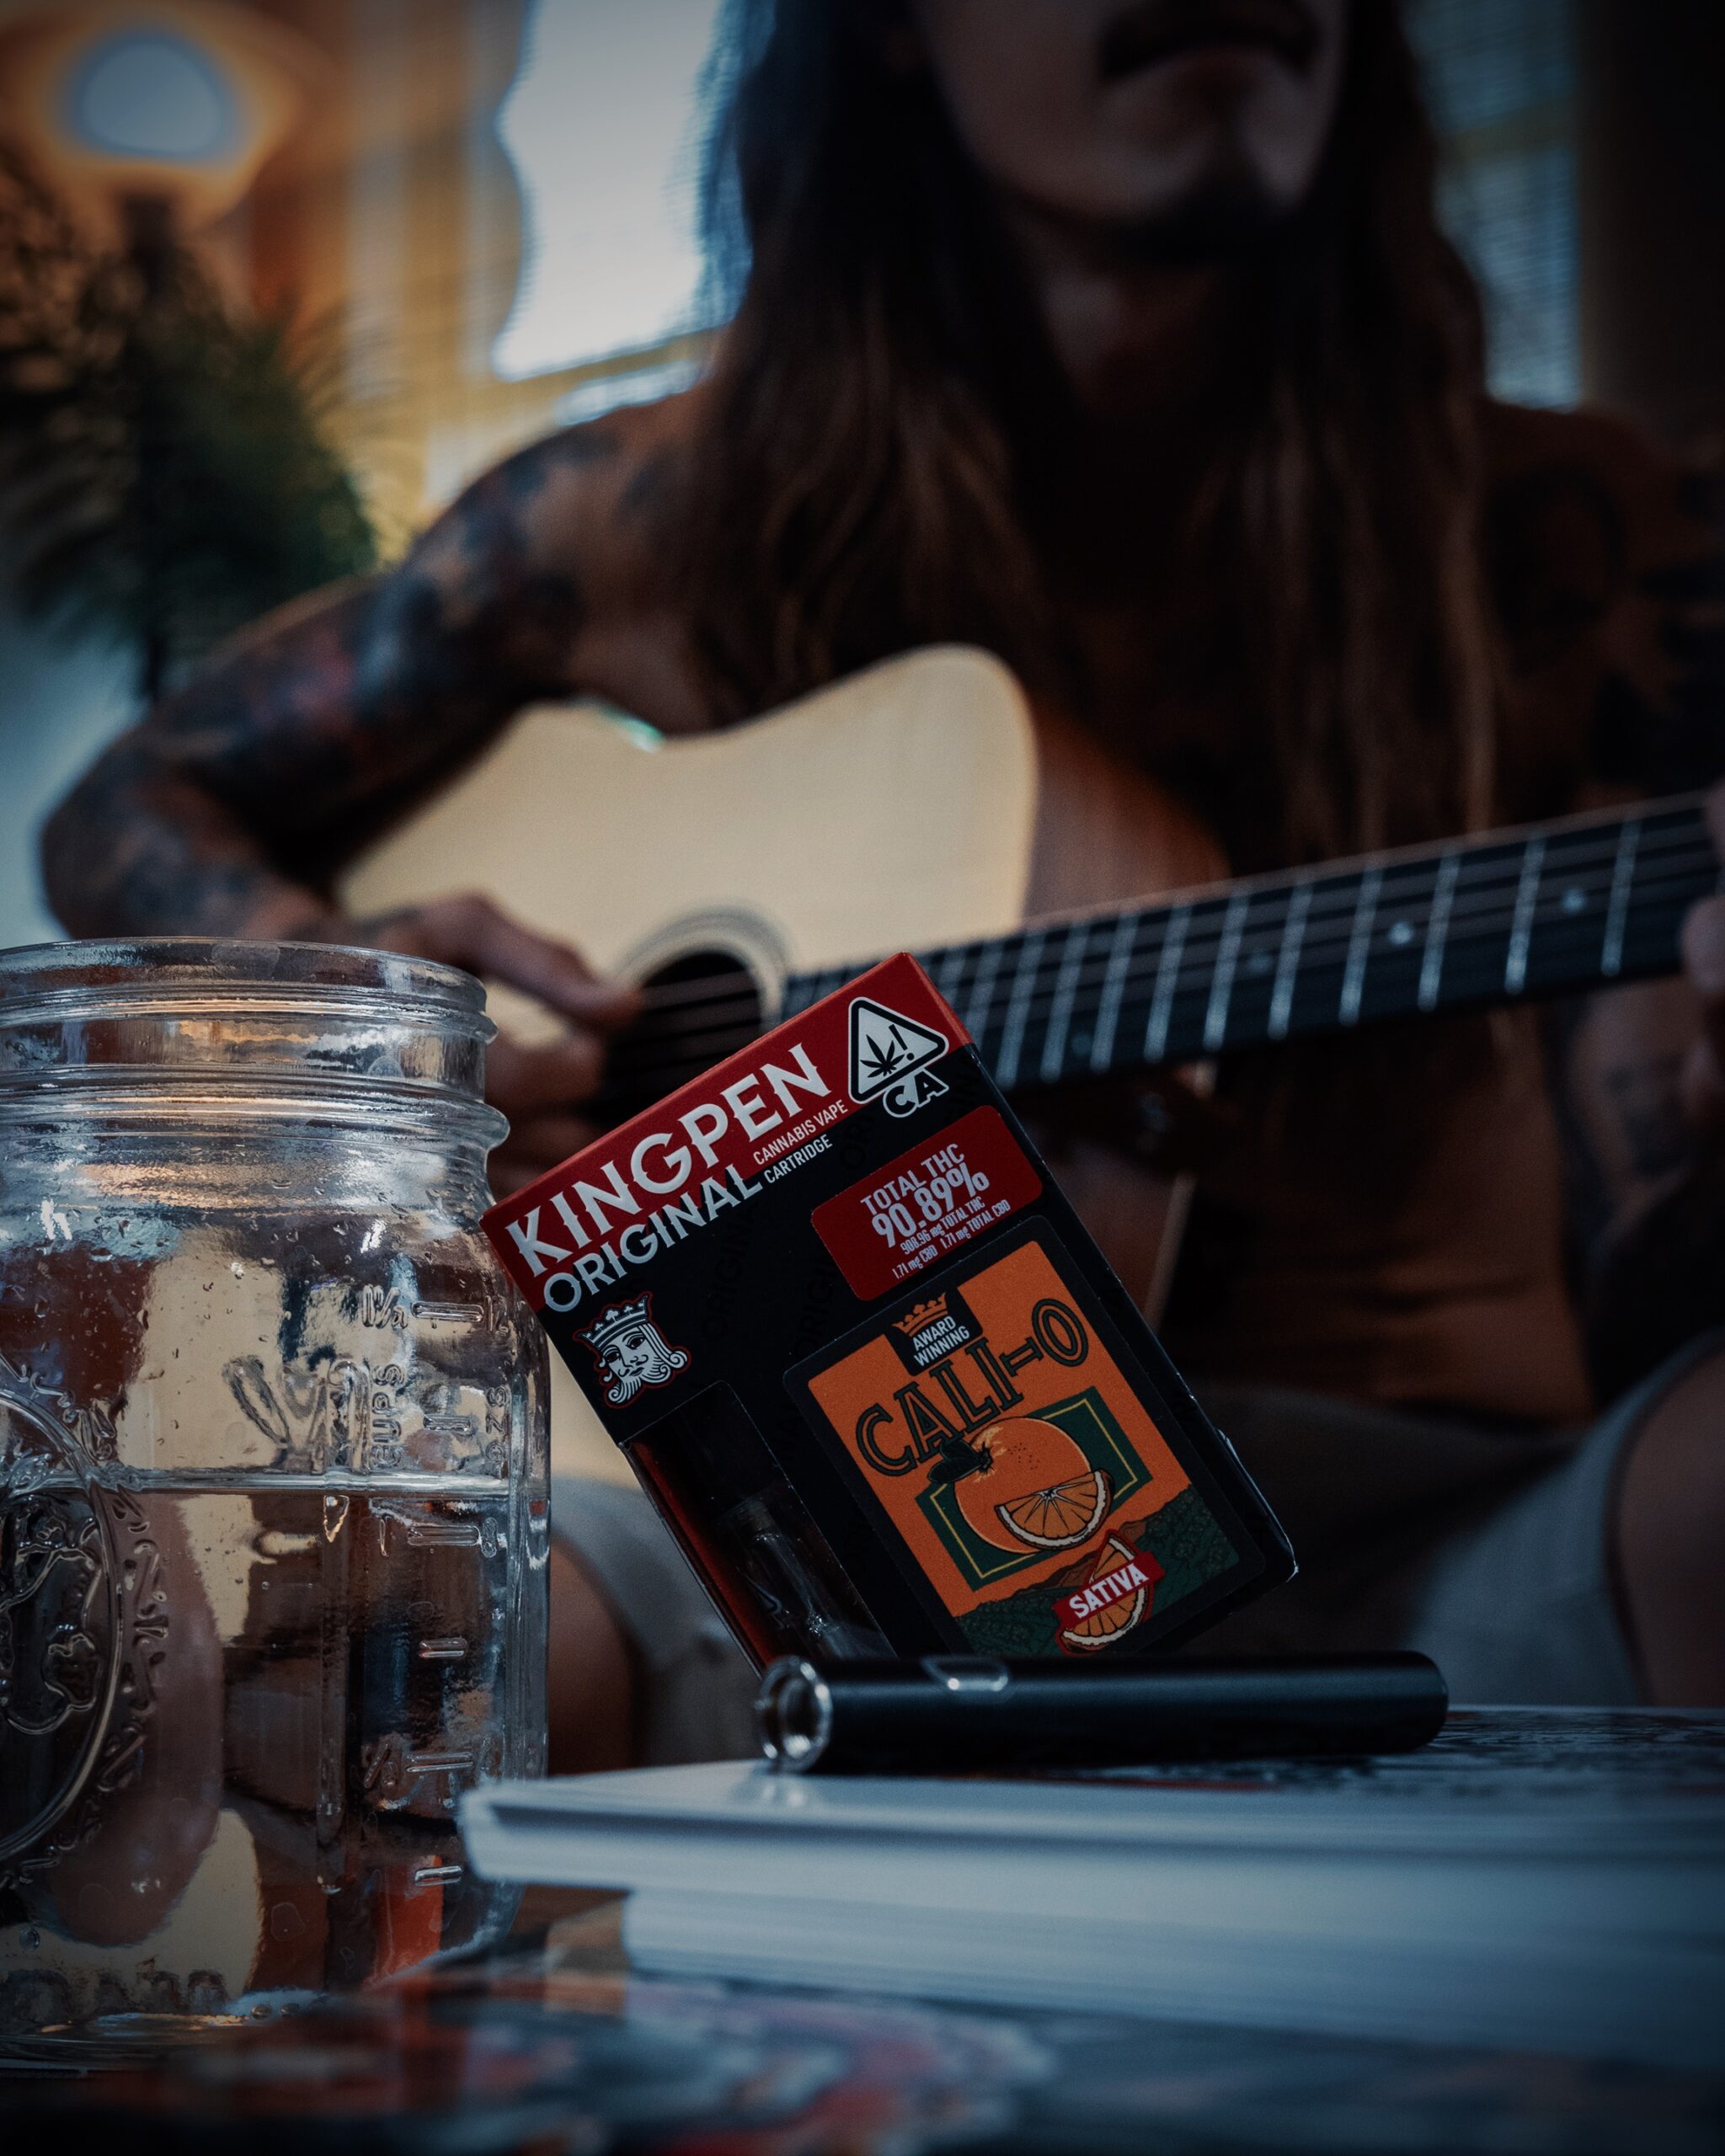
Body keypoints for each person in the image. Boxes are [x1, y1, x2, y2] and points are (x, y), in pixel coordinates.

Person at [43, 0, 1725, 1762]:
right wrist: (379, 1024)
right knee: (317, 1654)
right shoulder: (647, 514)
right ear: (895, 26)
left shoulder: (1583, 542)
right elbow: (120, 805)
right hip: (778, 1535)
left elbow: (1644, 1248)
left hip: (1433, 1517)